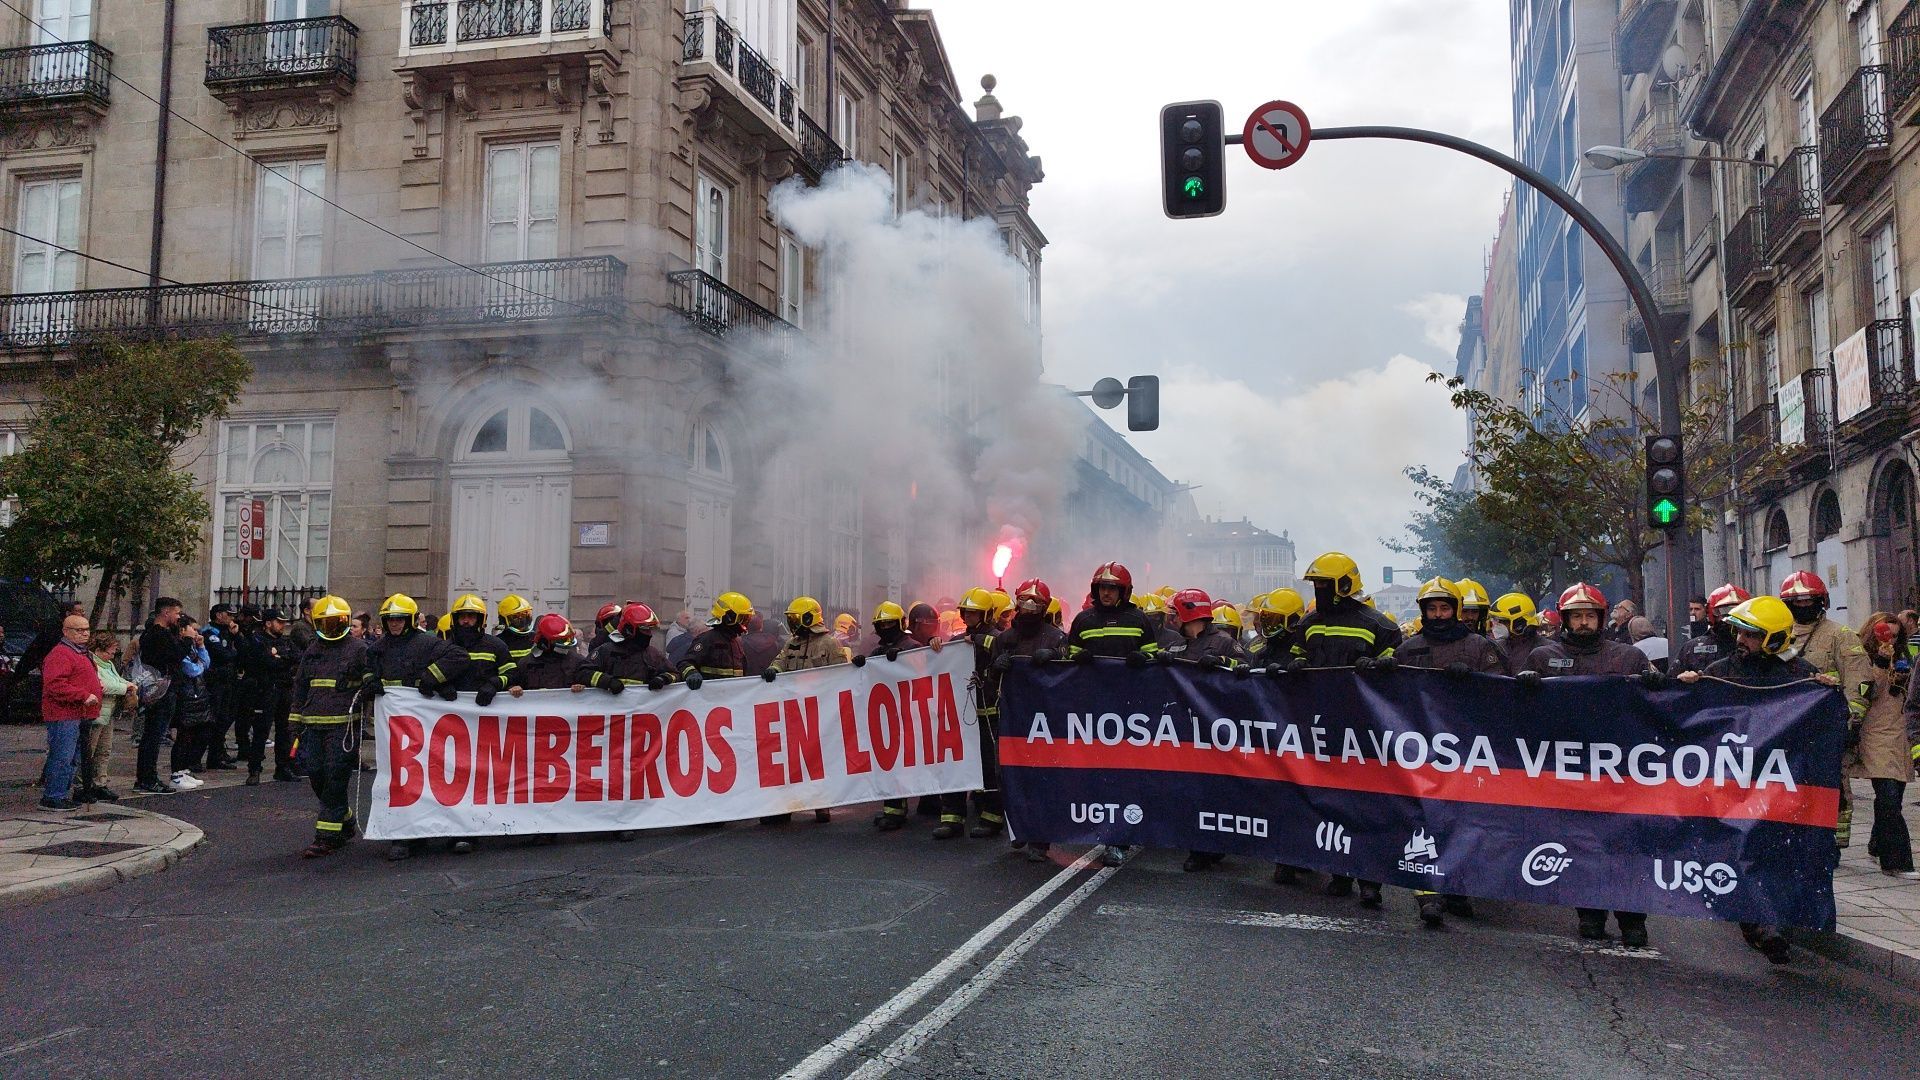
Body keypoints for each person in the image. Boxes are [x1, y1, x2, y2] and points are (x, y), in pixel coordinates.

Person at [1675, 595, 1822, 962]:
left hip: (1779, 782)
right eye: (1738, 631)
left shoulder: (1802, 674)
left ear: (1773, 639)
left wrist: (1827, 693)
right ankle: (1758, 925)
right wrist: (1685, 686)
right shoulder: (1720, 670)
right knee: (1739, 849)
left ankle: (1771, 924)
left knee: (1775, 852)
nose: (1740, 640)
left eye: (1751, 634)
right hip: (1731, 783)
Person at [1519, 582, 1656, 947]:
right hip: (1570, 770)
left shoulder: (1628, 658)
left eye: (1589, 616)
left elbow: (1659, 709)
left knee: (1624, 843)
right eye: (1576, 616)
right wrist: (1525, 687)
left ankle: (1632, 918)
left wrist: (1660, 683)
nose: (1583, 622)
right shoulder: (1543, 657)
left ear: (1600, 618)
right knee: (1579, 843)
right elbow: (1522, 715)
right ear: (1565, 619)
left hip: (1621, 770)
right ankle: (1590, 912)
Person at [1279, 552, 1402, 903]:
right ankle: (1339, 872)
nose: (1318, 590)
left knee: (1364, 806)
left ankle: (1370, 880)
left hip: (1364, 733)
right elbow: (1297, 653)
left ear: (1345, 586)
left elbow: (1401, 670)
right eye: (1315, 584)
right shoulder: (1310, 622)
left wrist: (1380, 665)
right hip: (1320, 729)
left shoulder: (1380, 625)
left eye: (1324, 584)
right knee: (1327, 803)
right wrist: (1296, 663)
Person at [1393, 578, 1504, 926]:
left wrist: (1475, 680)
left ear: (1455, 610)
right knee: (1422, 820)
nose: (1438, 615)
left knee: (1461, 820)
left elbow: (1503, 691)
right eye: (1432, 609)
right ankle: (1428, 893)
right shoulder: (1408, 648)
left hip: (1467, 750)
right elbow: (1391, 696)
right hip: (1420, 750)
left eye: (1444, 608)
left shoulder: (1479, 647)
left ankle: (1457, 886)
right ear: (1423, 611)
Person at [1065, 562, 1162, 866]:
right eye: (1102, 588)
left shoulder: (1138, 619)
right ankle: (1099, 830)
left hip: (1130, 711)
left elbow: (1154, 656)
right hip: (1092, 710)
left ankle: (1119, 839)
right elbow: (1068, 656)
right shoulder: (1083, 620)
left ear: (1124, 591)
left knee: (1125, 775)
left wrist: (1141, 658)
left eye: (1112, 588)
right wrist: (1077, 658)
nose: (1106, 593)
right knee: (1097, 774)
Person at [367, 594, 470, 861]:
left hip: (427, 724)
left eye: (400, 619)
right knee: (402, 778)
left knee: (438, 775)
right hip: (397, 727)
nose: (394, 625)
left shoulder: (426, 643)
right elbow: (365, 667)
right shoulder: (378, 648)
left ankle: (451, 828)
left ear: (411, 620)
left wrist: (431, 677)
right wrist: (370, 681)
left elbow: (459, 657)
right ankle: (404, 836)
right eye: (390, 620)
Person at [1780, 570, 1871, 849]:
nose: (1802, 607)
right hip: (1787, 726)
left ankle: (1835, 840)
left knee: (1834, 783)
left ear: (1821, 602)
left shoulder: (1840, 636)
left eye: (1809, 601)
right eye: (1796, 602)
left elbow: (1861, 682)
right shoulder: (1779, 636)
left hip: (1828, 727)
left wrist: (1850, 720)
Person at [1163, 588, 1248, 873]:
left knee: (1216, 789)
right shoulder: (1177, 645)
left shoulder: (1223, 643)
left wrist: (1225, 663)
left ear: (1189, 612)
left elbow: (1248, 669)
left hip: (1218, 731)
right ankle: (1198, 848)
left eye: (1175, 613)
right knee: (1191, 789)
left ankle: (1215, 844)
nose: (1171, 619)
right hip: (1186, 728)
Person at [986, 580, 1069, 860]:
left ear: (1045, 607)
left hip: (1045, 719)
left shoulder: (1056, 638)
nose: (1029, 608)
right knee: (1009, 775)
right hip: (1012, 718)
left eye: (1035, 604)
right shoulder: (1005, 639)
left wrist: (1056, 658)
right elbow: (990, 680)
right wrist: (995, 668)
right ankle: (1019, 828)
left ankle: (1039, 840)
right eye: (1024, 602)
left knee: (1041, 777)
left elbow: (1069, 679)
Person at [285, 596, 369, 857]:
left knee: (335, 777)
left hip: (343, 728)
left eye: (337, 623)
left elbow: (370, 681)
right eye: (326, 623)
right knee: (317, 775)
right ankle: (345, 819)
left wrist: (363, 687)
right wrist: (295, 718)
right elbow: (301, 685)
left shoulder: (358, 649)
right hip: (312, 726)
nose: (332, 628)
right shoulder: (313, 650)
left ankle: (326, 837)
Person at [1853, 614, 1918, 880]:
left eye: (1894, 635)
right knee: (1889, 798)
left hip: (1902, 734)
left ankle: (1877, 844)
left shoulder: (1906, 653)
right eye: (1884, 633)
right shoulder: (1860, 656)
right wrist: (1880, 664)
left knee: (1893, 798)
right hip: (1877, 734)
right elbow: (1865, 693)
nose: (1889, 639)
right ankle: (1897, 862)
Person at [38, 610, 101, 811]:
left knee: (71, 758)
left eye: (87, 629)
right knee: (63, 756)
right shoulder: (60, 654)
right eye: (79, 630)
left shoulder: (79, 652)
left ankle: (60, 795)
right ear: (66, 631)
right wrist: (83, 695)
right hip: (63, 714)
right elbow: (55, 685)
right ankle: (53, 797)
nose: (85, 633)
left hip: (77, 714)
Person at [234, 609, 300, 787]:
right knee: (261, 732)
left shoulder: (285, 641)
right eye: (279, 622)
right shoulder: (258, 640)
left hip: (284, 689)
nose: (283, 625)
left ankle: (282, 767)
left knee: (284, 730)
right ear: (268, 623)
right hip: (265, 690)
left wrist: (281, 658)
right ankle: (254, 769)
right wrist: (280, 660)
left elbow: (297, 658)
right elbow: (266, 662)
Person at [132, 598, 188, 795]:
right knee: (153, 736)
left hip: (164, 688)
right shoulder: (157, 634)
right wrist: (187, 640)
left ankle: (147, 777)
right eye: (176, 613)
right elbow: (176, 655)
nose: (178, 617)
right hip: (160, 690)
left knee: (155, 735)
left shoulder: (161, 634)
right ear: (166, 613)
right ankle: (147, 778)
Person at [85, 631, 135, 801]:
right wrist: (124, 688)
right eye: (110, 652)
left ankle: (100, 782)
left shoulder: (108, 664)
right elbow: (101, 685)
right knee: (89, 750)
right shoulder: (92, 663)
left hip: (109, 712)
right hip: (97, 713)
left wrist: (128, 684)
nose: (112, 655)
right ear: (99, 649)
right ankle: (85, 784)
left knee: (104, 750)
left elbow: (117, 680)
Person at [168, 619, 212, 791]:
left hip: (195, 694)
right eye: (193, 629)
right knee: (183, 735)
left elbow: (205, 664)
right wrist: (199, 664)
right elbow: (192, 670)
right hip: (184, 694)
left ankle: (184, 769)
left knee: (192, 735)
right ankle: (176, 774)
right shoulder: (181, 646)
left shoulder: (193, 646)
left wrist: (201, 647)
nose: (196, 633)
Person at [1673, 584, 1749, 675]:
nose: (1729, 619)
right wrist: (1684, 678)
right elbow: (1671, 683)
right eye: (1722, 611)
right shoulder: (1692, 647)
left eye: (1737, 612)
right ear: (1711, 613)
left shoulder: (1756, 645)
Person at [200, 604, 241, 771]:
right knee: (215, 719)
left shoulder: (227, 632)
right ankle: (212, 756)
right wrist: (232, 652)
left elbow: (240, 651)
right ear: (218, 615)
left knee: (226, 717)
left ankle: (218, 753)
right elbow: (223, 654)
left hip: (228, 680)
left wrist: (235, 637)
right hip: (215, 681)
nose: (232, 618)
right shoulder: (210, 633)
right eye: (228, 614)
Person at [680, 592, 753, 684]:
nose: (744, 623)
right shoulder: (707, 639)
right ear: (729, 617)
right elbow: (685, 663)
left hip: (733, 695)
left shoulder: (737, 642)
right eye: (741, 618)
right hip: (710, 696)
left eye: (746, 619)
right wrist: (691, 673)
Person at [509, 613, 586, 694]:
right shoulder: (527, 664)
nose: (566, 644)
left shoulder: (577, 662)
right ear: (544, 642)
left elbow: (590, 685)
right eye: (562, 640)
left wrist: (583, 686)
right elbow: (513, 685)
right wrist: (514, 688)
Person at [1249, 588, 1306, 668]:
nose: (1268, 624)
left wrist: (1284, 671)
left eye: (1275, 619)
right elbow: (1253, 680)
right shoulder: (1261, 655)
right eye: (1265, 618)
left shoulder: (1302, 651)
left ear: (1292, 621)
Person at [1490, 592, 1543, 675]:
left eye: (1501, 621)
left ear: (1519, 624)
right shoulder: (1495, 647)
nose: (1495, 625)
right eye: (1494, 620)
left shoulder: (1546, 649)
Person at [496, 594, 538, 669]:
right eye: (515, 617)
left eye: (525, 614)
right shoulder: (498, 643)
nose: (522, 620)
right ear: (504, 620)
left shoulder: (537, 639)